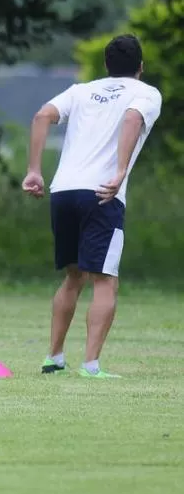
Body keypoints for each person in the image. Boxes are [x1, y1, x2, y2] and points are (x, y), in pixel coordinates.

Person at [22, 33, 161, 379]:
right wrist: (119, 171)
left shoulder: (81, 90)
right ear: (140, 68)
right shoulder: (146, 93)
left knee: (74, 276)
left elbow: (42, 116)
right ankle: (91, 365)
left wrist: (34, 171)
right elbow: (131, 120)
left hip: (64, 190)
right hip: (102, 193)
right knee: (105, 280)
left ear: (106, 66)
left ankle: (54, 356)